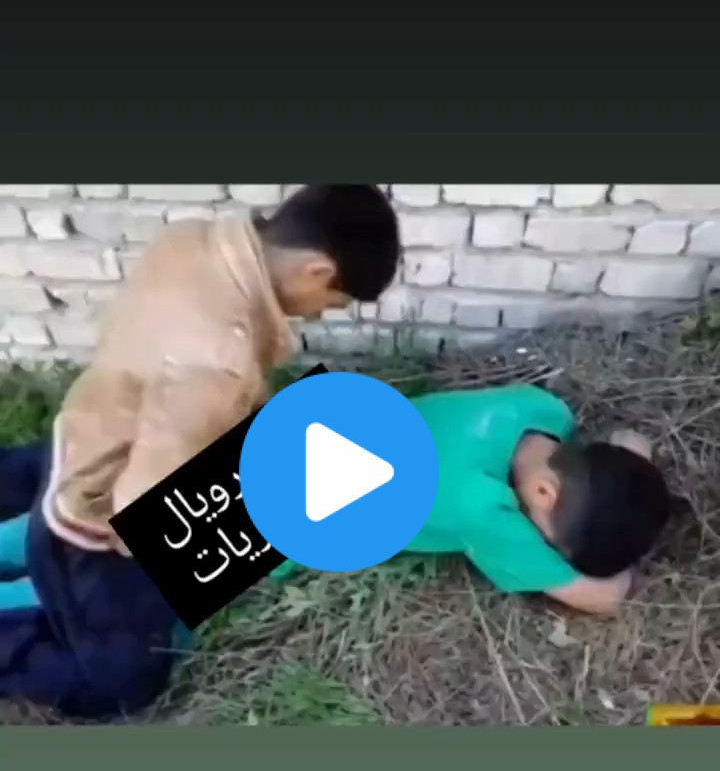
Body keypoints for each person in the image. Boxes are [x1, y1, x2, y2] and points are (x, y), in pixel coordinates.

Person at [0, 185, 401, 719]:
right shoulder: (221, 361)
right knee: (121, 683)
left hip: (87, 421)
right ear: (317, 271)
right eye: (331, 304)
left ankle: (34, 541)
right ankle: (39, 585)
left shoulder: (194, 240)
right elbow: (142, 508)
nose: (318, 316)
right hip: (90, 518)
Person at [273, 384, 671, 618]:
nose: (543, 544)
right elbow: (605, 597)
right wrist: (618, 559)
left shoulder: (542, 409)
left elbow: (631, 440)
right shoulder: (484, 509)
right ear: (543, 493)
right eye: (552, 543)